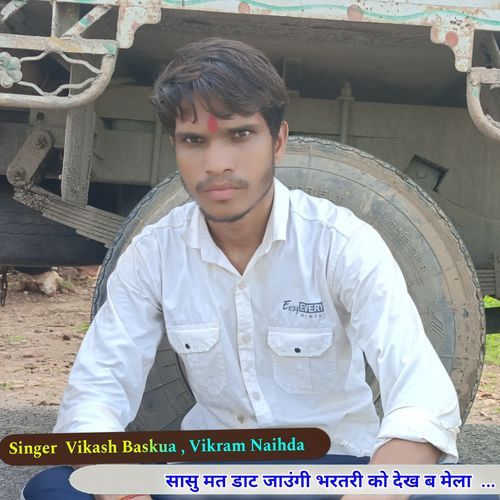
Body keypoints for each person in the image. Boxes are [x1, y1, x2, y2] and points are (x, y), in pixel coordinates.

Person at [22, 38, 490, 500]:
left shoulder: (340, 242)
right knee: (56, 489)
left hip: (336, 471)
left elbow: (423, 396)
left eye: (239, 135)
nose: (216, 164)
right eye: (194, 140)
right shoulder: (154, 253)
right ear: (175, 147)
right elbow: (95, 395)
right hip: (208, 476)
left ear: (278, 141)